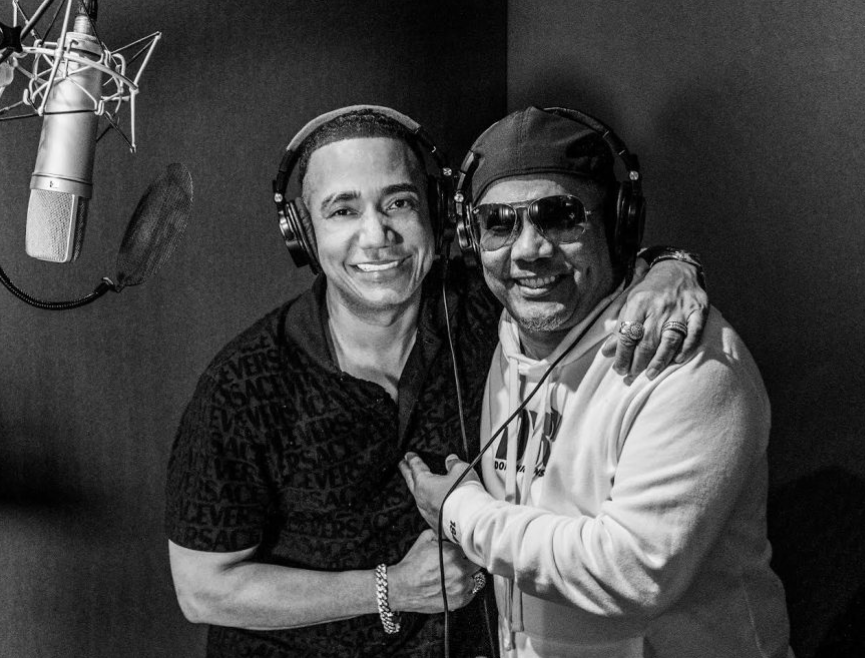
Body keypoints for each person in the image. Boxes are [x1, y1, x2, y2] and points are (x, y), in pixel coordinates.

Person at [164, 105, 708, 658]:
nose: (376, 235)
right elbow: (203, 589)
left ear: (440, 215)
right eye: (343, 210)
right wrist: (391, 589)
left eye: (398, 203)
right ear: (303, 233)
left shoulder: (487, 309)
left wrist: (670, 266)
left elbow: (572, 264)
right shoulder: (245, 384)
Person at [401, 106, 793, 658]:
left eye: (560, 216)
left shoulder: (685, 360)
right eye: (499, 223)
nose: (529, 249)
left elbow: (632, 572)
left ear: (616, 224)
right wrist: (672, 260)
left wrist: (460, 512)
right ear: (472, 239)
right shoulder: (501, 328)